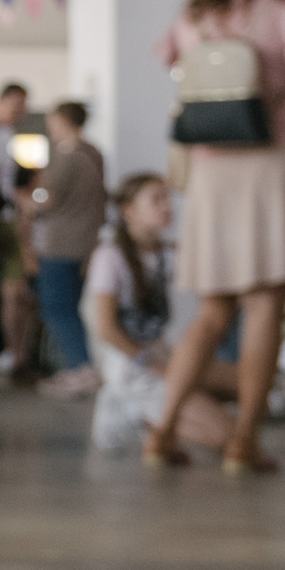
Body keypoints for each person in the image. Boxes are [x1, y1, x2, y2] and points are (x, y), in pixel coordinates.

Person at [146, 0, 285, 475]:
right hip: (275, 164)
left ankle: (161, 430)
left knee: (211, 311)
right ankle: (243, 440)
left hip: (212, 172)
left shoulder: (197, 15)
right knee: (266, 307)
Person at [88, 174, 233, 455]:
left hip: (167, 357)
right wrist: (151, 364)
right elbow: (105, 328)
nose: (167, 207)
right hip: (135, 368)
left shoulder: (170, 253)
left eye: (168, 198)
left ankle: (177, 408)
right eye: (156, 199)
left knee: (248, 386)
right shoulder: (109, 256)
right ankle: (134, 414)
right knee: (227, 435)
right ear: (128, 211)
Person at [30, 101, 107, 396]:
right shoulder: (94, 154)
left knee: (57, 307)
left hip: (60, 242)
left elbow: (49, 199)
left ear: (62, 120)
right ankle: (79, 365)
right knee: (72, 307)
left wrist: (29, 201)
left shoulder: (65, 156)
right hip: (87, 241)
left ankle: (80, 367)